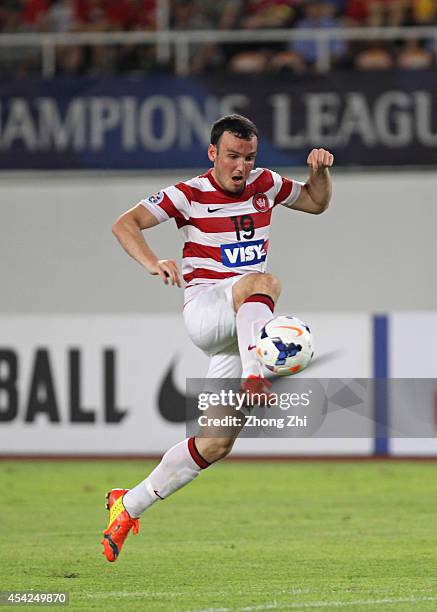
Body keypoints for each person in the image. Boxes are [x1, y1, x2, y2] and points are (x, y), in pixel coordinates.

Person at [101, 114, 334, 562]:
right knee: (262, 280)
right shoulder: (188, 194)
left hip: (241, 324)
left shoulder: (265, 183)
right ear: (213, 154)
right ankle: (254, 373)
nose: (241, 166)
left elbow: (314, 203)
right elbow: (124, 224)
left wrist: (319, 175)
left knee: (216, 442)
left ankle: (127, 506)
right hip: (207, 310)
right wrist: (153, 262)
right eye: (232, 156)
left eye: (248, 157)